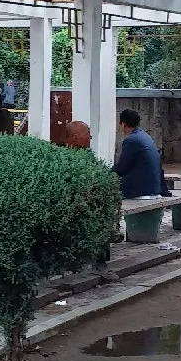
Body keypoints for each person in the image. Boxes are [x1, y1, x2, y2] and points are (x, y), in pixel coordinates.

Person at [62, 120, 120, 280]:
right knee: (99, 218)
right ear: (75, 137)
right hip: (72, 206)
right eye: (87, 133)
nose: (91, 137)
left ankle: (100, 262)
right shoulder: (64, 159)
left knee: (102, 214)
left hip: (88, 204)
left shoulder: (88, 156)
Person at [111, 109, 170, 199]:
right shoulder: (146, 136)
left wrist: (105, 173)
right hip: (155, 189)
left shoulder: (131, 140)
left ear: (123, 124)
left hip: (140, 191)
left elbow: (122, 168)